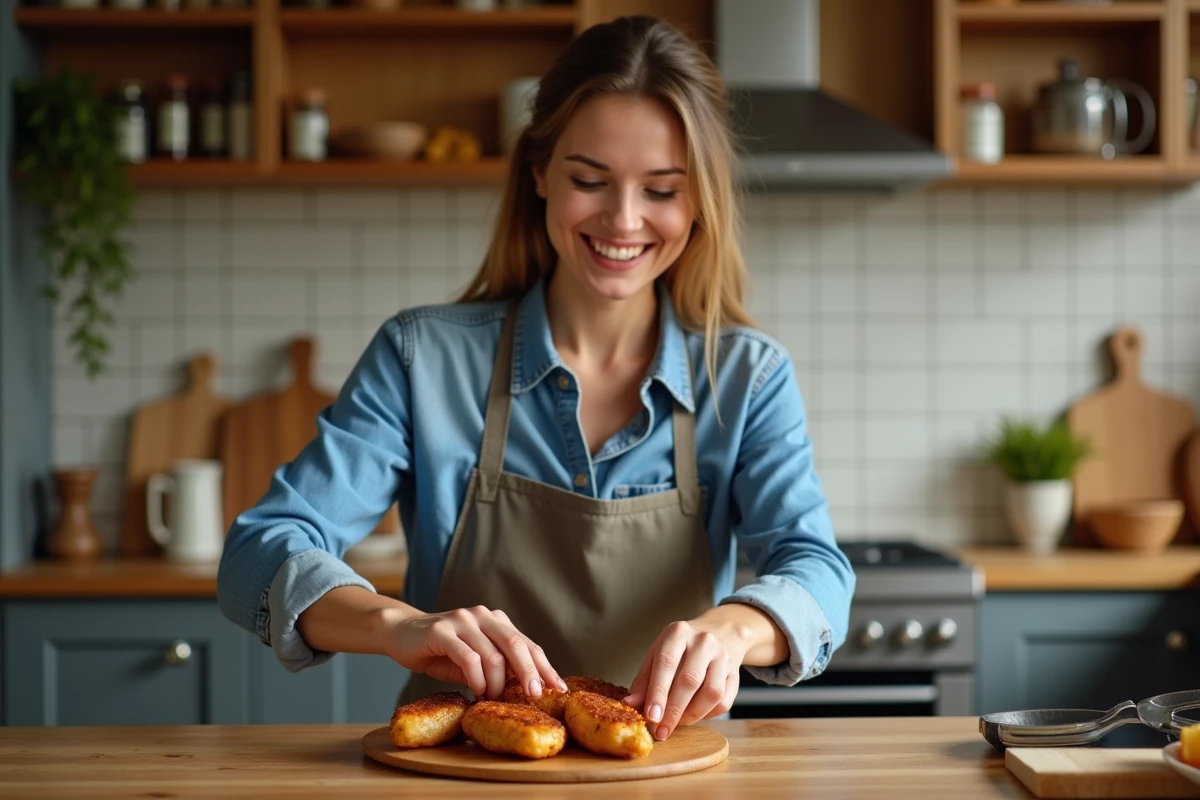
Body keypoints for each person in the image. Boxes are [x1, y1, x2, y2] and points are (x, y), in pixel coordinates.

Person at [217, 14, 854, 743]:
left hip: (662, 778)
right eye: (590, 180)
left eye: (662, 190)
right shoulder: (420, 359)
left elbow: (816, 570)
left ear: (700, 200)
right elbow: (258, 552)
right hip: (456, 776)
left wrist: (734, 633)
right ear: (539, 174)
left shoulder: (746, 377)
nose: (623, 219)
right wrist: (397, 624)